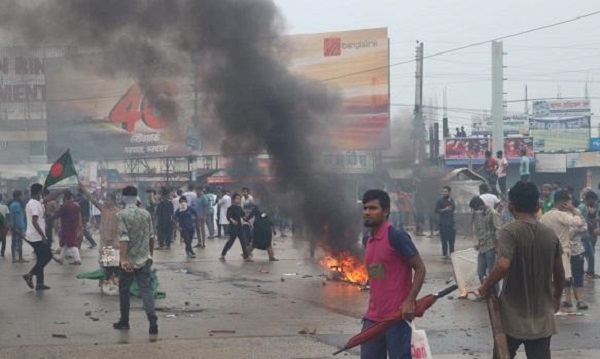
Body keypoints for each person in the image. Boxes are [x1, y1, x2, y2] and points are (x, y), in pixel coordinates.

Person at [478, 181, 565, 359]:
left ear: (511, 207)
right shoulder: (550, 234)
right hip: (541, 318)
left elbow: (503, 265)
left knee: (502, 355)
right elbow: (560, 272)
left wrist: (485, 287)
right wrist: (556, 297)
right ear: (537, 205)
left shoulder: (508, 232)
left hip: (511, 317)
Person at [360, 189, 426, 359]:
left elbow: (420, 268)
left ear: (386, 211)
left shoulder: (396, 236)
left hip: (397, 317)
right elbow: (379, 272)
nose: (367, 212)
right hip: (373, 318)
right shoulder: (367, 239)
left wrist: (410, 301)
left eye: (373, 208)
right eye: (365, 208)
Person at [113, 186, 158, 335]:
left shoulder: (121, 215)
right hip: (144, 258)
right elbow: (152, 237)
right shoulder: (146, 214)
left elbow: (124, 238)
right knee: (146, 290)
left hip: (129, 261)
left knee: (124, 290)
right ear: (136, 196)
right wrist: (150, 256)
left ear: (123, 197)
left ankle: (124, 321)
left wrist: (123, 260)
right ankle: (152, 318)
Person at [540, 190, 587, 310]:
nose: (570, 203)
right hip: (563, 251)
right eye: (568, 201)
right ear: (563, 203)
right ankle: (561, 300)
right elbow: (579, 222)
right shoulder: (563, 215)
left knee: (559, 277)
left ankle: (561, 300)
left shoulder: (546, 216)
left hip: (555, 250)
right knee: (564, 277)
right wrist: (574, 210)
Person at [22, 183, 53, 291]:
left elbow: (48, 198)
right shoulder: (35, 204)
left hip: (33, 235)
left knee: (41, 258)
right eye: (42, 192)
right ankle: (29, 274)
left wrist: (60, 192)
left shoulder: (33, 202)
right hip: (36, 236)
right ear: (39, 192)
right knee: (48, 256)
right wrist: (43, 235)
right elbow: (35, 221)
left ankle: (40, 284)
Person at [469, 196, 501, 286]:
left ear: (480, 205)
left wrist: (497, 247)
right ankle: (485, 291)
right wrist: (477, 242)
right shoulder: (478, 215)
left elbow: (498, 230)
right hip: (482, 246)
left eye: (475, 208)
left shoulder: (493, 213)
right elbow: (477, 229)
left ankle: (494, 294)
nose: (476, 210)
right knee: (480, 272)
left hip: (491, 246)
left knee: (492, 272)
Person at [219, 193, 251, 262]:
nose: (238, 200)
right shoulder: (231, 208)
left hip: (240, 227)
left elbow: (243, 216)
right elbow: (228, 216)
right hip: (233, 228)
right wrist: (232, 220)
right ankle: (222, 255)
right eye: (236, 198)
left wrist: (248, 220)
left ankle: (246, 257)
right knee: (230, 242)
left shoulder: (239, 208)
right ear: (233, 199)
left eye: (239, 199)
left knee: (243, 242)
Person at [55, 190, 83, 265]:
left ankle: (78, 259)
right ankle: (61, 259)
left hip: (66, 227)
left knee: (72, 243)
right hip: (73, 226)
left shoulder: (64, 206)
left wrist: (51, 218)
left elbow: (57, 214)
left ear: (64, 197)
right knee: (65, 243)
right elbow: (79, 216)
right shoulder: (76, 205)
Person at [581, 191, 600, 279]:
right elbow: (583, 219)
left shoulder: (593, 206)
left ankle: (588, 270)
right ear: (589, 199)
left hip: (592, 233)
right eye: (594, 200)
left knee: (588, 252)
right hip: (585, 234)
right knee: (589, 253)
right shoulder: (583, 207)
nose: (595, 202)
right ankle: (590, 271)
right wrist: (593, 222)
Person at [435, 186, 456, 259]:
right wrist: (444, 209)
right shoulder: (440, 201)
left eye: (446, 191)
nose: (444, 193)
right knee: (444, 240)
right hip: (443, 223)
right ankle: (444, 254)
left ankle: (452, 253)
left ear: (449, 192)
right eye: (443, 191)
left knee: (451, 239)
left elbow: (453, 209)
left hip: (451, 223)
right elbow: (436, 210)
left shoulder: (451, 200)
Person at [9, 190, 27, 263]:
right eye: (20, 195)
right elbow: (15, 217)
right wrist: (16, 227)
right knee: (18, 243)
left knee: (14, 242)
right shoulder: (16, 205)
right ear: (17, 196)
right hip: (17, 227)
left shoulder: (14, 204)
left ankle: (15, 258)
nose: (21, 197)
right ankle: (19, 258)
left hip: (15, 226)